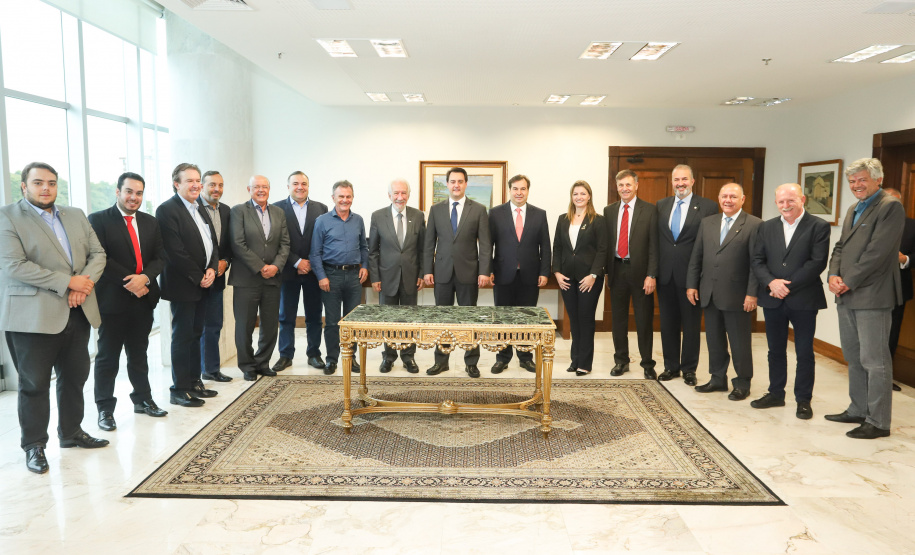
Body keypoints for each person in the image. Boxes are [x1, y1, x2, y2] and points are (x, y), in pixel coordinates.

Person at [0, 162, 108, 474]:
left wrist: (83, 284)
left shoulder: (74, 214)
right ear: (24, 186)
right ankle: (34, 446)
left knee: (75, 377)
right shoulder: (7, 216)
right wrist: (67, 283)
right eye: (38, 183)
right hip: (32, 317)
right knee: (34, 384)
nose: (45, 188)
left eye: (51, 183)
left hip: (78, 310)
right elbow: (14, 265)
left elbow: (98, 254)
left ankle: (71, 433)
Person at [826, 158, 904, 439]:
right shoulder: (853, 208)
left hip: (872, 295)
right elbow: (840, 247)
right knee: (854, 357)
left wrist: (848, 280)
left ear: (877, 180)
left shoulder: (889, 206)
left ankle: (878, 421)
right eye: (852, 181)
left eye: (862, 180)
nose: (856, 185)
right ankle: (858, 409)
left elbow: (878, 252)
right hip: (846, 294)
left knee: (875, 360)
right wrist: (833, 275)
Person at [89, 172, 168, 433]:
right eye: (129, 191)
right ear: (118, 191)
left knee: (139, 354)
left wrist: (145, 278)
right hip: (112, 301)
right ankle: (105, 409)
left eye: (139, 193)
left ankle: (143, 399)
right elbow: (101, 259)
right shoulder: (99, 220)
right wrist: (131, 283)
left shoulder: (150, 222)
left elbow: (160, 257)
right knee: (107, 358)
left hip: (143, 300)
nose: (134, 197)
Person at [750, 183, 830, 419]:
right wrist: (771, 283)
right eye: (781, 201)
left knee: (804, 352)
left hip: (804, 299)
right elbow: (757, 260)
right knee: (775, 351)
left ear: (802, 199)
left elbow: (817, 263)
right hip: (773, 298)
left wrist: (786, 286)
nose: (786, 205)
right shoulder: (767, 227)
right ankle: (775, 394)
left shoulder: (818, 226)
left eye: (790, 200)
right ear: (776, 203)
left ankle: (803, 400)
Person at [687, 183, 761, 401]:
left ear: (743, 199)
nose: (728, 200)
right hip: (708, 292)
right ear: (719, 198)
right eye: (724, 196)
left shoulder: (754, 225)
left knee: (740, 342)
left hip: (738, 295)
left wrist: (752, 293)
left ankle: (742, 383)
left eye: (733, 196)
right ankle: (717, 378)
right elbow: (696, 256)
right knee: (714, 340)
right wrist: (692, 284)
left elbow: (756, 264)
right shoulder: (707, 223)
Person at [156, 163, 219, 408]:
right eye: (189, 181)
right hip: (184, 285)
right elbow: (175, 251)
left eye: (197, 181)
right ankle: (179, 389)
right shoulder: (167, 210)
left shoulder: (200, 208)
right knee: (182, 337)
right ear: (176, 184)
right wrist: (199, 275)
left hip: (204, 282)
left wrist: (212, 268)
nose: (196, 185)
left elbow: (212, 242)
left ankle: (194, 382)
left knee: (196, 334)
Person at [422, 167, 492, 378]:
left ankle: (471, 362)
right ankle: (440, 361)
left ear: (466, 184)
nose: (456, 185)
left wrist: (484, 271)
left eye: (460, 181)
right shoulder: (436, 210)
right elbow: (428, 244)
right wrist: (427, 270)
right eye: (452, 181)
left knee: (469, 319)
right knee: (442, 319)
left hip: (469, 273)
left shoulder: (479, 209)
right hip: (441, 272)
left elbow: (486, 244)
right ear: (447, 183)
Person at [656, 165, 718, 386]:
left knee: (691, 325)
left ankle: (689, 369)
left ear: (693, 181)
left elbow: (709, 245)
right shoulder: (661, 206)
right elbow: (658, 242)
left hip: (692, 278)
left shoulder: (708, 207)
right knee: (668, 323)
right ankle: (670, 367)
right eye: (676, 179)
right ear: (671, 181)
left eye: (684, 179)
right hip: (665, 276)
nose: (680, 183)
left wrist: (699, 278)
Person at [229, 175, 290, 381]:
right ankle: (247, 365)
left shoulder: (278, 213)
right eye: (257, 187)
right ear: (249, 189)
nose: (261, 190)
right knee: (244, 324)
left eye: (264, 187)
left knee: (270, 324)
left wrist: (276, 266)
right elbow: (238, 243)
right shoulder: (239, 211)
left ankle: (263, 362)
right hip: (246, 279)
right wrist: (260, 267)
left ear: (269, 189)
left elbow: (285, 244)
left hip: (272, 278)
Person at [488, 174, 551, 374]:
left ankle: (525, 357)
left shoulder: (539, 214)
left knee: (527, 318)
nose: (519, 192)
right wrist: (488, 270)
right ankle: (502, 358)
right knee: (503, 318)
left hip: (529, 276)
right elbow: (488, 245)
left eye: (523, 189)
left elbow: (546, 246)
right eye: (515, 188)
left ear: (528, 191)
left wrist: (544, 272)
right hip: (502, 275)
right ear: (509, 190)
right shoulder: (496, 213)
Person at [604, 169, 658, 379]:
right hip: (617, 271)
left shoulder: (650, 210)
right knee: (618, 321)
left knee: (644, 320)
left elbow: (654, 245)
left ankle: (647, 363)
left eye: (628, 184)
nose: (624, 189)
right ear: (616, 188)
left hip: (642, 274)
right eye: (621, 185)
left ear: (636, 185)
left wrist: (652, 274)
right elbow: (606, 244)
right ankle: (621, 361)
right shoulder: (609, 211)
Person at [310, 180, 369, 374]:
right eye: (341, 196)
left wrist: (365, 266)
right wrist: (321, 276)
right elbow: (315, 252)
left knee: (352, 322)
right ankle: (332, 359)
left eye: (348, 196)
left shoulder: (358, 220)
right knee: (334, 321)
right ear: (333, 198)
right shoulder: (322, 221)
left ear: (352, 198)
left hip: (354, 277)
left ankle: (350, 359)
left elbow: (363, 247)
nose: (345, 200)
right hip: (331, 276)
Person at [368, 179, 425, 373]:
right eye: (396, 193)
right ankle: (389, 357)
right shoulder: (378, 216)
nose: (400, 197)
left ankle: (409, 357)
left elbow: (423, 248)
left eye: (403, 193)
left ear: (408, 195)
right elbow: (373, 250)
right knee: (388, 320)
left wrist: (421, 273)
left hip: (411, 277)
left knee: (410, 319)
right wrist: (375, 277)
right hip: (386, 277)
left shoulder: (418, 216)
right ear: (389, 195)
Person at [274, 171, 328, 372]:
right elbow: (276, 241)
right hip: (288, 270)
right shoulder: (277, 208)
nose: (300, 187)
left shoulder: (321, 208)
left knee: (314, 316)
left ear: (308, 186)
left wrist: (312, 262)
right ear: (288, 186)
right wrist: (297, 261)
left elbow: (324, 239)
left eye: (303, 183)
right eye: (295, 183)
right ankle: (285, 355)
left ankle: (314, 354)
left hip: (314, 272)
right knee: (286, 316)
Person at [552, 181, 607, 376]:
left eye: (583, 194)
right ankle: (575, 360)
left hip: (589, 279)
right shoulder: (563, 219)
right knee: (574, 320)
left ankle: (585, 363)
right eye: (575, 194)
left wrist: (593, 275)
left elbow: (602, 251)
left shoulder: (597, 220)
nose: (579, 197)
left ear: (589, 196)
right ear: (571, 196)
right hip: (567, 278)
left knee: (585, 319)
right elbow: (557, 247)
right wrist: (557, 273)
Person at [198, 170, 233, 383]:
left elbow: (228, 245)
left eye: (220, 185)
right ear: (202, 186)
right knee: (196, 328)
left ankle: (211, 369)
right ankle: (197, 372)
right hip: (197, 277)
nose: (216, 189)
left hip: (218, 277)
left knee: (213, 325)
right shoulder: (194, 209)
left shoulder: (227, 211)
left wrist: (225, 261)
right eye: (212, 185)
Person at [883, 188, 914, 392]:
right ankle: (865, 375)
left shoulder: (912, 226)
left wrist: (905, 259)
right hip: (868, 289)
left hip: (898, 290)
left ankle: (885, 378)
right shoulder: (868, 223)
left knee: (892, 334)